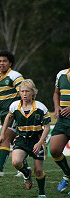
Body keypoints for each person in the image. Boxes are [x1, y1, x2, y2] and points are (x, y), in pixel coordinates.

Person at [1, 79, 50, 198]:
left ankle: (42, 193)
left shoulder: (40, 107)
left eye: (27, 91)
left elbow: (47, 127)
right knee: (16, 162)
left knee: (38, 171)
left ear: (33, 93)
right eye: (22, 91)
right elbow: (8, 117)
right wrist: (2, 134)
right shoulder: (15, 106)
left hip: (36, 139)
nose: (24, 94)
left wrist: (40, 142)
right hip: (22, 139)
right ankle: (27, 173)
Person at [50, 53, 70, 193]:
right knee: (54, 150)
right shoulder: (61, 74)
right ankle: (67, 175)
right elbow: (56, 93)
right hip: (63, 120)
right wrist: (57, 106)